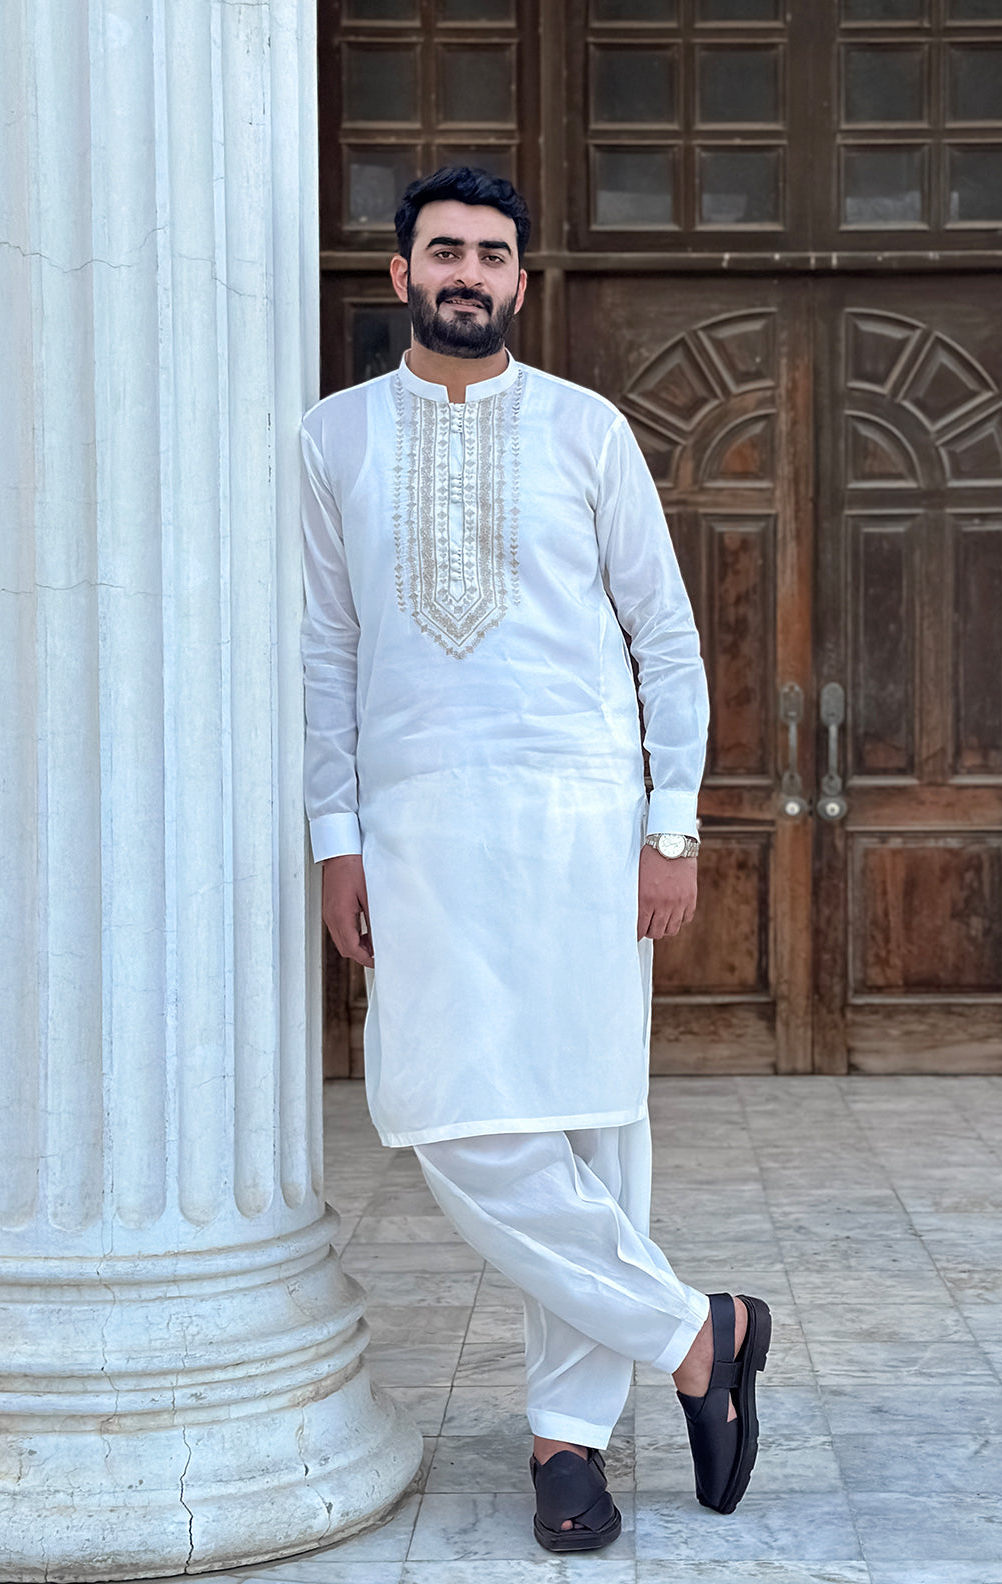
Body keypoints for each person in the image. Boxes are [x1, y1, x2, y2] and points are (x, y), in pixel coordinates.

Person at [300, 165, 771, 1551]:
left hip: (579, 819)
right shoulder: (331, 441)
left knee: (588, 1117)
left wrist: (670, 825)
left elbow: (666, 637)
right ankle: (697, 1333)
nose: (469, 273)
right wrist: (336, 839)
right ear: (400, 275)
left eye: (492, 254)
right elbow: (323, 652)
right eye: (444, 250)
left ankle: (569, 1443)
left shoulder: (584, 429)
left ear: (520, 280)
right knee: (436, 1109)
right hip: (417, 825)